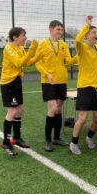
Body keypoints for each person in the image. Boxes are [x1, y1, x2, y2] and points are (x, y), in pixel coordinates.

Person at [28, 20, 77, 152]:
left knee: (59, 109)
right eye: (58, 29)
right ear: (51, 29)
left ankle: (56, 137)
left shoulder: (64, 45)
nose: (60, 32)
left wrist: (79, 55)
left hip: (61, 80)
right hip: (48, 81)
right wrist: (46, 74)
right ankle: (48, 140)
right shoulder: (43, 43)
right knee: (53, 108)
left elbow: (69, 61)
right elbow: (37, 62)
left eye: (61, 30)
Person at [69, 16, 97, 155]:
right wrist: (87, 25)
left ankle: (89, 138)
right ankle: (73, 143)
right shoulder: (82, 47)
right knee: (82, 118)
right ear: (87, 35)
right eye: (94, 33)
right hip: (85, 87)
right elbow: (77, 40)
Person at [0, 27, 38, 155]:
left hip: (16, 81)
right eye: (23, 35)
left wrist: (39, 54)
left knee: (20, 110)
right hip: (8, 83)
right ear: (15, 37)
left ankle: (16, 138)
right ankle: (6, 142)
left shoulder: (20, 48)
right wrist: (32, 49)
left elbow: (27, 62)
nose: (25, 38)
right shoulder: (8, 48)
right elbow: (18, 62)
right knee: (12, 110)